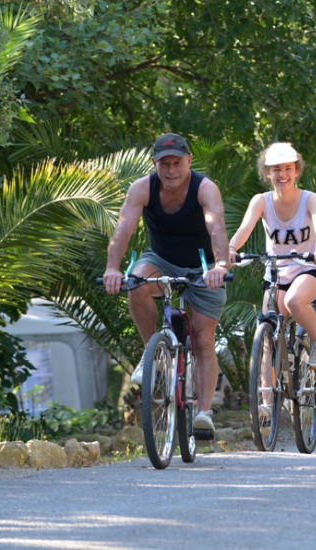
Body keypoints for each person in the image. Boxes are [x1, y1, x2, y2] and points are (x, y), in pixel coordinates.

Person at [103, 132, 230, 434]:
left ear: (189, 160)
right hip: (160, 260)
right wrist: (112, 268)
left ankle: (204, 413)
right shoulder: (142, 188)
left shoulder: (205, 188)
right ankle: (153, 356)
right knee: (137, 281)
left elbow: (217, 228)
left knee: (202, 340)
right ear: (154, 164)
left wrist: (221, 265)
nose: (171, 170)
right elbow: (123, 230)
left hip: (203, 266)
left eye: (177, 163)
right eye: (164, 164)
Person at [227, 142, 316, 371]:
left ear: (297, 171)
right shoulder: (261, 201)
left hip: (307, 269)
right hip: (276, 273)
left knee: (293, 301)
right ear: (267, 173)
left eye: (287, 168)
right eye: (276, 169)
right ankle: (265, 402)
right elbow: (245, 229)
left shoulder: (310, 199)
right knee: (266, 338)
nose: (282, 175)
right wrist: (231, 249)